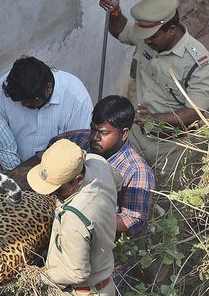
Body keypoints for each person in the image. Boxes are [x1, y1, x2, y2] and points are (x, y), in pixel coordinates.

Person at [1, 139, 121, 296]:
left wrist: (38, 277)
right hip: (60, 290)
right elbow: (119, 181)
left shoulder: (76, 219)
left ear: (77, 180)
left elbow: (77, 273)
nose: (53, 194)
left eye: (58, 189)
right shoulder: (97, 163)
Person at [99, 0, 209, 186]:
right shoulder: (150, 36)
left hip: (171, 147)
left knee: (169, 199)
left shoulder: (198, 64)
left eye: (152, 37)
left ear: (171, 30)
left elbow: (197, 111)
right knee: (121, 186)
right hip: (136, 135)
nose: (146, 41)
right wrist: (115, 11)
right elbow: (121, 30)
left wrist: (155, 119)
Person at [49, 95, 155, 237]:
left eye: (104, 133)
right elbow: (50, 148)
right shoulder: (80, 140)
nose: (94, 137)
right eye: (93, 129)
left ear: (124, 134)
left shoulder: (137, 171)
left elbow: (133, 222)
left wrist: (82, 215)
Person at [0, 56, 93, 162]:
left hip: (60, 168)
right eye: (20, 100)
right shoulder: (3, 89)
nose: (24, 105)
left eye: (30, 100)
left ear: (48, 88)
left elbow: (80, 149)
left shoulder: (76, 97)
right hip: (14, 165)